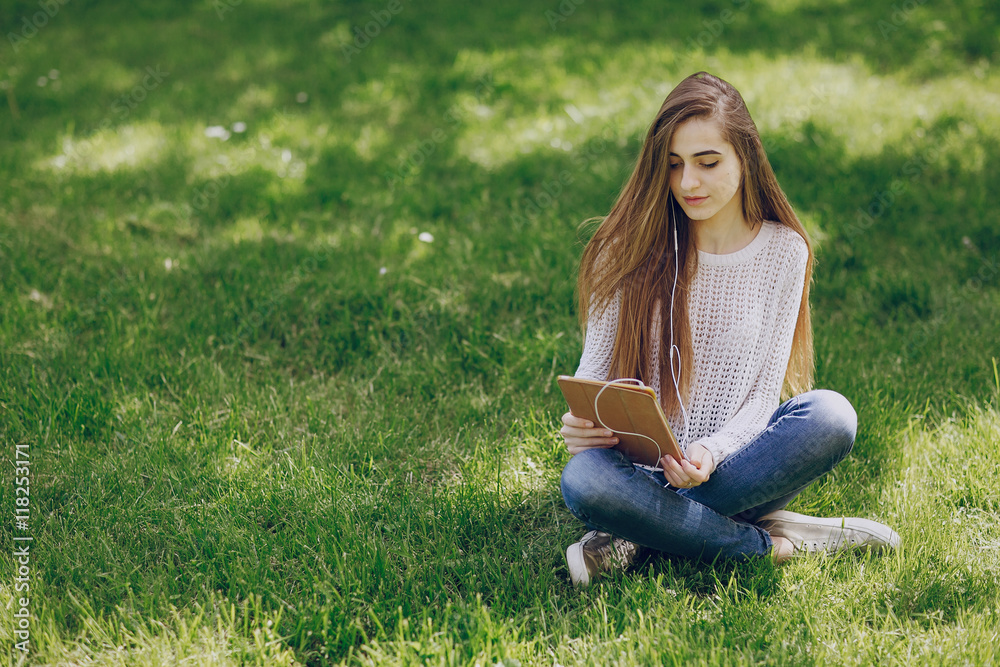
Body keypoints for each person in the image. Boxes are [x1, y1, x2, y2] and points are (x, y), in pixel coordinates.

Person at [558, 71, 899, 587]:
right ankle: (764, 545)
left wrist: (709, 453)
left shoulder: (785, 252)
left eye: (708, 163)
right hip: (630, 474)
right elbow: (593, 376)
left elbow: (763, 399)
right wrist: (581, 425)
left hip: (732, 467)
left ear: (746, 158)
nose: (687, 183)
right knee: (584, 479)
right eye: (673, 166)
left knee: (831, 414)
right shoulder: (624, 247)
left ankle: (636, 534)